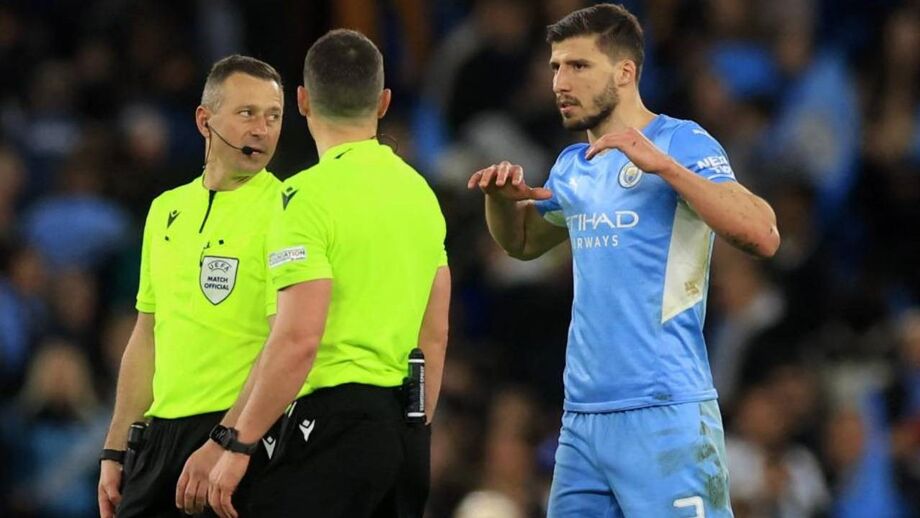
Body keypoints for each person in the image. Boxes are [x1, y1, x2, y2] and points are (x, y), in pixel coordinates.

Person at [467, 4, 780, 517]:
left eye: (578, 66)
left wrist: (666, 168)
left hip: (665, 412)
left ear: (626, 72)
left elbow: (763, 233)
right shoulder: (574, 165)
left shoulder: (680, 141)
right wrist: (500, 202)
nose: (559, 83)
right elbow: (521, 243)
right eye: (555, 67)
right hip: (582, 421)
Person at [206, 29, 450, 518]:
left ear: (301, 101)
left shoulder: (303, 198)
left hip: (335, 428)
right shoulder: (420, 192)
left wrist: (237, 444)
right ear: (382, 102)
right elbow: (435, 331)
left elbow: (298, 338)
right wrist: (414, 432)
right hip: (406, 427)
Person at [97, 55, 284, 518]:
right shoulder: (165, 210)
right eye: (247, 113)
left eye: (274, 116)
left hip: (237, 438)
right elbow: (147, 334)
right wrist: (115, 448)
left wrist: (229, 438)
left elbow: (285, 340)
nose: (262, 129)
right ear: (205, 120)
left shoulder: (288, 210)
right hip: (159, 436)